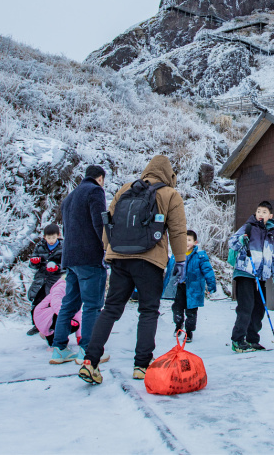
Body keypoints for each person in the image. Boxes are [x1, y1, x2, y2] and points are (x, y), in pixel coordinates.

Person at [77, 155, 187, 386]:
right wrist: (180, 260)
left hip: (120, 259)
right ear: (169, 174)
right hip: (149, 261)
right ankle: (142, 364)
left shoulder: (126, 189)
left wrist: (109, 251)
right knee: (148, 311)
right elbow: (177, 232)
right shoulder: (169, 194)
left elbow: (109, 221)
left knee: (110, 310)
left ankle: (90, 361)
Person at [49, 165, 109, 364]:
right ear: (100, 178)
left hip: (71, 258)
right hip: (89, 257)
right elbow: (99, 223)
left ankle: (59, 349)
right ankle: (88, 351)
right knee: (92, 305)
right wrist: (107, 247)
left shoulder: (70, 196)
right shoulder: (95, 191)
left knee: (69, 303)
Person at [227, 201, 274, 353]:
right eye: (258, 211)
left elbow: (273, 257)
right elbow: (232, 242)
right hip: (245, 272)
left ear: (270, 216)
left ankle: (252, 339)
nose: (260, 214)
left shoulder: (271, 235)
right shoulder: (248, 227)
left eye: (264, 212)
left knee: (259, 308)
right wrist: (241, 241)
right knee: (246, 306)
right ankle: (238, 339)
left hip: (261, 276)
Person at [161, 230, 217, 342]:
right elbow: (169, 271)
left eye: (189, 240)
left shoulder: (200, 256)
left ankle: (189, 332)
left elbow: (208, 271)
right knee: (177, 308)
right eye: (184, 240)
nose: (186, 242)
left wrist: (211, 285)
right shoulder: (176, 255)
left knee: (191, 311)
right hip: (180, 287)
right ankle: (178, 325)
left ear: (195, 242)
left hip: (193, 288)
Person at [26, 223, 65, 336]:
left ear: (58, 235)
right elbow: (33, 264)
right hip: (41, 279)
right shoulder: (40, 246)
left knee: (54, 302)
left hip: (56, 280)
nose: (51, 240)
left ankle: (52, 325)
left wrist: (57, 268)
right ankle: (37, 325)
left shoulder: (63, 247)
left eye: (53, 237)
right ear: (44, 237)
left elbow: (67, 263)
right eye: (48, 238)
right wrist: (34, 263)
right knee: (37, 302)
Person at [33, 277, 83, 347]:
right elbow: (56, 304)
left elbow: (78, 314)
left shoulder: (76, 291)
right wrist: (66, 317)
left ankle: (48, 333)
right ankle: (54, 343)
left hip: (55, 314)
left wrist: (80, 336)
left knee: (75, 324)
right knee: (65, 319)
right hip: (43, 314)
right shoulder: (61, 287)